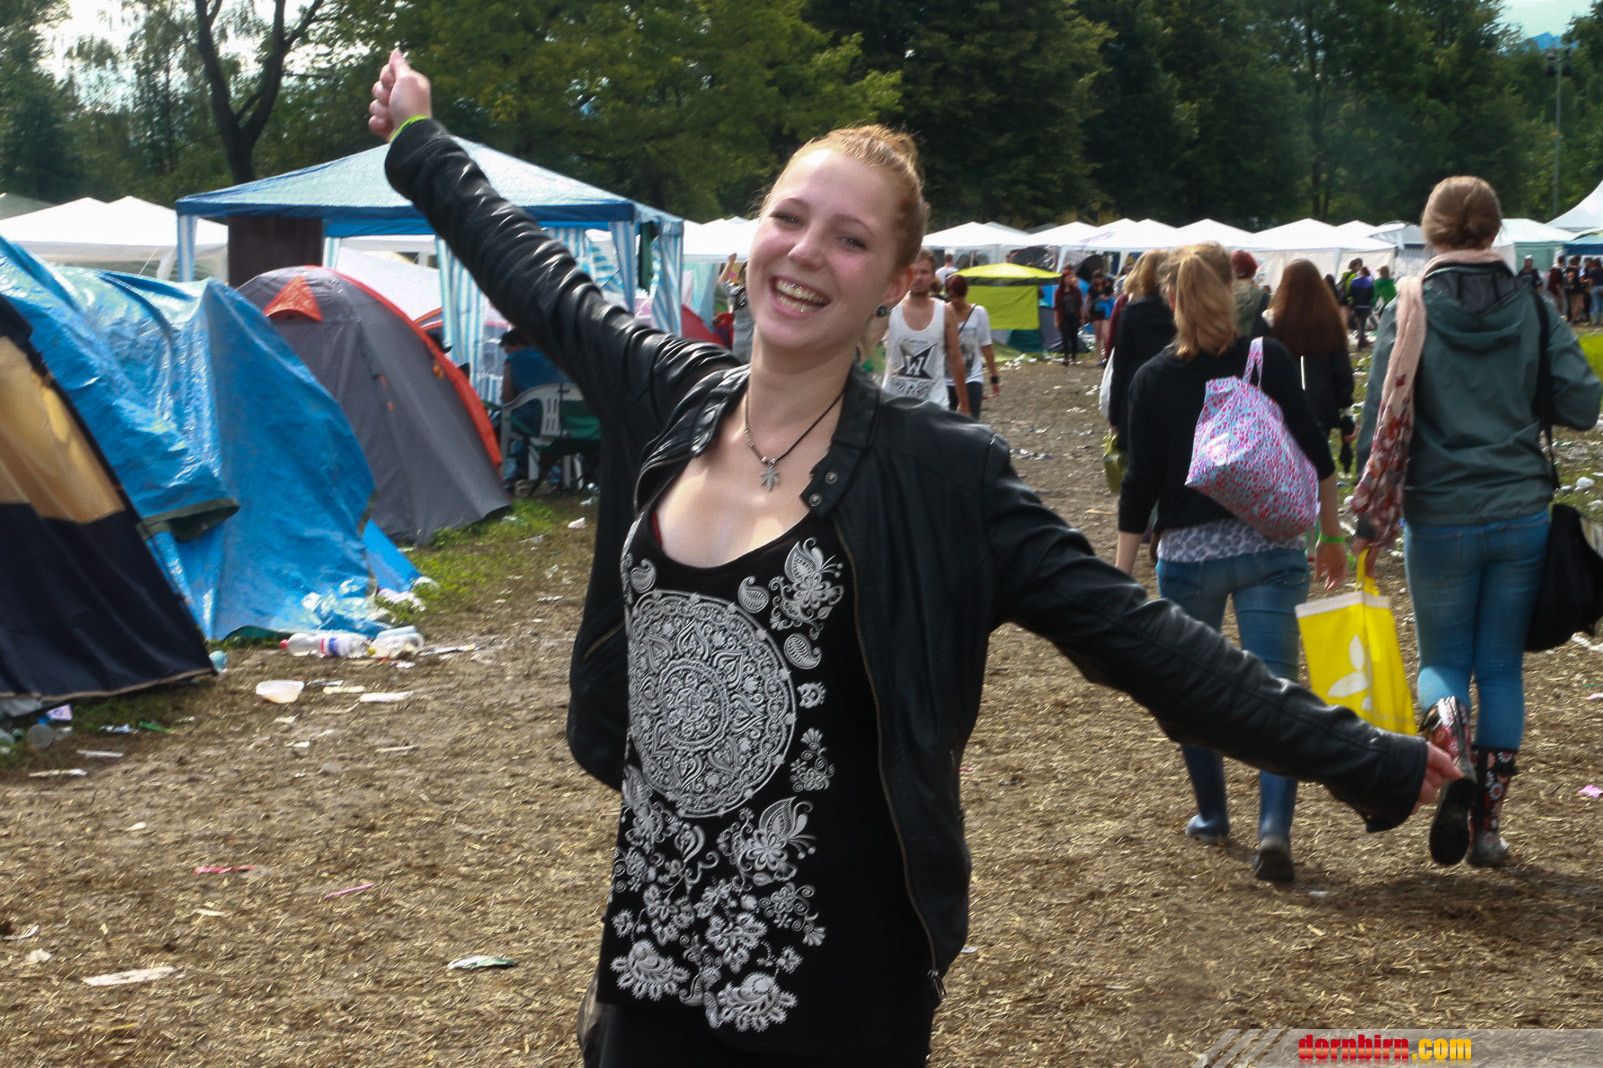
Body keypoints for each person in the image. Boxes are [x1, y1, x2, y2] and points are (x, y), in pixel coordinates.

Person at [370, 52, 1456, 1066]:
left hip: (840, 987)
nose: (806, 252)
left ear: (897, 282)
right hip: (652, 965)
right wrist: (421, 142)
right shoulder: (670, 396)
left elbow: (1146, 644)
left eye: (848, 240)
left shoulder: (944, 477)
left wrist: (1368, 759)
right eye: (788, 218)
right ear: (754, 237)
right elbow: (532, 270)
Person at [1353, 176, 1602, 870]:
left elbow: (1379, 418)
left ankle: (1454, 771)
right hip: (1520, 512)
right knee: (1498, 670)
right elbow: (1583, 405)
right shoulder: (1534, 305)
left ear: (1431, 231)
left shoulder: (1409, 306)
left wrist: (1365, 520)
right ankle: (1487, 830)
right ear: (1493, 231)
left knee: (1441, 664)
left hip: (1437, 514)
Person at [1114, 243, 1352, 883]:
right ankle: (1274, 831)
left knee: (1191, 691)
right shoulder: (1267, 358)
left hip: (1188, 557)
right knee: (1277, 691)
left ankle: (1213, 815)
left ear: (1170, 298)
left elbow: (1139, 486)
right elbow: (1316, 451)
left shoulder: (1151, 378)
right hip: (1271, 550)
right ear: (1234, 290)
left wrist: (1122, 573)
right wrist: (1331, 535)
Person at [1267, 259, 1355, 472]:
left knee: (1284, 465)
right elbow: (1341, 370)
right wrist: (1347, 411)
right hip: (1320, 408)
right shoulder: (1331, 323)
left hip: (1280, 406)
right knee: (1314, 464)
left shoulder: (1270, 321)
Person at [883, 250, 969, 414]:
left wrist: (963, 402)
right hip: (893, 405)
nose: (918, 277)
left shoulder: (945, 311)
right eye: (914, 272)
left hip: (934, 405)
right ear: (907, 275)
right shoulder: (891, 307)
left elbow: (955, 357)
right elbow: (869, 339)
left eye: (924, 272)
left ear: (933, 276)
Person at [1106, 248, 1174, 452]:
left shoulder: (1132, 311)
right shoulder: (1179, 310)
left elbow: (1120, 364)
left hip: (1136, 388)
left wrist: (1114, 413)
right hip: (1172, 389)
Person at [943, 273, 999, 419]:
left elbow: (986, 346)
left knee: (970, 423)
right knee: (947, 425)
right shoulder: (942, 312)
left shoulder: (979, 313)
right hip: (946, 379)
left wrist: (994, 378)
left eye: (959, 296)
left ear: (966, 292)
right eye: (951, 296)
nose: (955, 300)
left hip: (972, 377)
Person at [719, 253, 754, 363]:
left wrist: (730, 262)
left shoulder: (736, 293)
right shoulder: (760, 296)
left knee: (738, 368)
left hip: (738, 343)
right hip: (753, 346)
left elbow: (722, 283)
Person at [1229, 249, 1268, 338]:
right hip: (1254, 345)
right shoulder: (1265, 297)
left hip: (1225, 344)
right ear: (1253, 271)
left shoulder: (1219, 297)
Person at [1053, 265, 1083, 365]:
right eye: (1067, 278)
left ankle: (1074, 358)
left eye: (1070, 278)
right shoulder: (1058, 292)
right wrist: (1056, 321)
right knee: (1065, 338)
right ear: (1063, 279)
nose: (1069, 280)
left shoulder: (1076, 291)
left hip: (1074, 317)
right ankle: (1066, 358)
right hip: (1063, 318)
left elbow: (1080, 305)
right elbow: (1056, 308)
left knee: (1074, 337)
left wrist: (1082, 317)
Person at [1087, 268, 1115, 365]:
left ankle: (1105, 354)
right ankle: (1100, 357)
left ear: (1103, 278)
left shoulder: (1108, 287)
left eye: (1100, 278)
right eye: (1097, 278)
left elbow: (1115, 298)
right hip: (1095, 314)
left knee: (1104, 334)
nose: (1098, 280)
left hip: (1106, 314)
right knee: (1098, 336)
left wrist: (1107, 298)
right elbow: (1087, 300)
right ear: (1094, 279)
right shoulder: (1092, 288)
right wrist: (1087, 313)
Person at [1347, 265, 1375, 350]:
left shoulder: (1354, 281)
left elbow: (1350, 293)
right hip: (1365, 306)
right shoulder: (1369, 282)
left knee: (1359, 323)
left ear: (1360, 272)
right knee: (1362, 324)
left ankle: (1361, 342)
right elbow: (1371, 295)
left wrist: (1355, 298)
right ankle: (1361, 344)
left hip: (1356, 305)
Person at [1564, 254, 1589, 325]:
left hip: (1570, 289)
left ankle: (1572, 319)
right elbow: (1581, 280)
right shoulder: (1580, 269)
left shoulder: (1568, 268)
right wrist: (1586, 280)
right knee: (1577, 305)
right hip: (1578, 289)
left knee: (1572, 305)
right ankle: (1574, 319)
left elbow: (1567, 278)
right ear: (1579, 261)